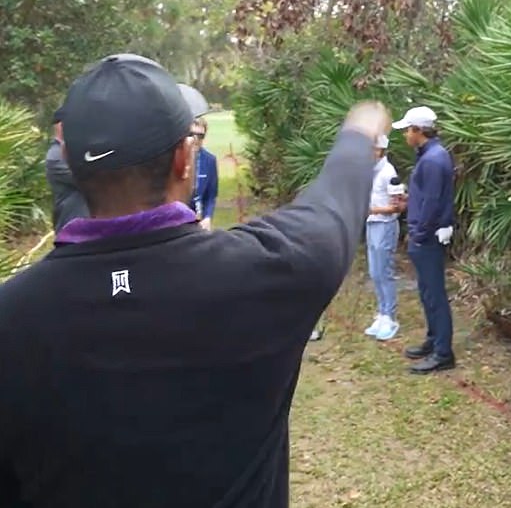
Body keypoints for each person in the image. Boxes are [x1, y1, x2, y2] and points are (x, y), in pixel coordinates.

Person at [0, 53, 389, 508]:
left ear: (66, 161)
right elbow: (332, 204)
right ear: (186, 159)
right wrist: (359, 133)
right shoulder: (267, 271)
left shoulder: (13, 316)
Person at [392, 105, 456, 374]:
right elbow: (428, 196)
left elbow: (431, 203)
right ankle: (433, 339)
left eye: (408, 130)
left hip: (427, 236)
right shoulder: (431, 156)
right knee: (427, 291)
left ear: (419, 131)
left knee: (434, 293)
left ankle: (443, 353)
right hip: (426, 232)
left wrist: (417, 234)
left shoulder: (432, 160)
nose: (406, 135)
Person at [364, 135, 400, 341]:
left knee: (384, 271)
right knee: (374, 272)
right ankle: (381, 312)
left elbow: (396, 207)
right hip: (371, 223)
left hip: (384, 225)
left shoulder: (388, 173)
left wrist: (372, 209)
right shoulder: (370, 172)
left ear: (380, 150)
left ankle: (390, 316)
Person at [44, 106, 89, 232]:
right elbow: (88, 180)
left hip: (88, 224)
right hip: (72, 225)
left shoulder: (76, 150)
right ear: (61, 125)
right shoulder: (56, 157)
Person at [189, 116, 218, 230]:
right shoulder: (176, 158)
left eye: (200, 136)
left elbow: (211, 195)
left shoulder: (210, 160)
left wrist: (208, 217)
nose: (196, 139)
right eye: (192, 134)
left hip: (199, 219)